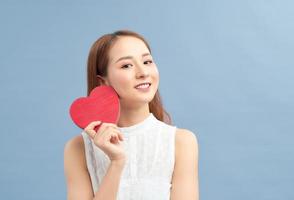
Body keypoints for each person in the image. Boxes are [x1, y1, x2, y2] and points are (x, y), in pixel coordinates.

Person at [64, 30, 199, 200]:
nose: (143, 72)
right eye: (126, 65)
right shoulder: (78, 148)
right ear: (102, 81)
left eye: (147, 61)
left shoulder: (181, 142)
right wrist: (116, 162)